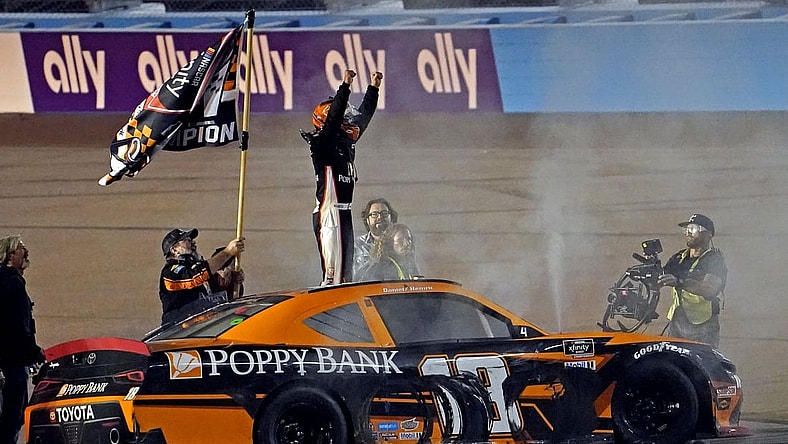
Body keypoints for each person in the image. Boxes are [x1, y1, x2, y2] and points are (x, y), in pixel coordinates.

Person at [301, 69, 383, 285]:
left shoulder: (345, 144)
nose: (350, 119)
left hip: (344, 214)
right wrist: (345, 87)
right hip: (329, 216)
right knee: (333, 278)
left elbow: (363, 119)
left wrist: (373, 89)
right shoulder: (323, 145)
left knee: (347, 277)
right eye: (345, 116)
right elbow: (333, 119)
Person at [658, 214, 727, 348]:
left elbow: (710, 289)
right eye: (687, 229)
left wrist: (679, 281)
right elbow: (662, 277)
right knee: (674, 362)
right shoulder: (679, 258)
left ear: (708, 234)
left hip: (703, 325)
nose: (688, 232)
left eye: (694, 229)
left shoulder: (714, 260)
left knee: (702, 363)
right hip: (677, 321)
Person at [0, 235, 45, 444]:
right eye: (20, 249)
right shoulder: (11, 284)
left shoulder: (8, 281)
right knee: (12, 417)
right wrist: (34, 352)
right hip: (13, 363)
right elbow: (17, 328)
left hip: (11, 362)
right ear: (10, 256)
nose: (25, 252)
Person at [159, 228, 245, 326]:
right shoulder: (170, 272)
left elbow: (220, 297)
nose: (193, 242)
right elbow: (195, 277)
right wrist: (227, 252)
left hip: (202, 328)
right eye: (187, 240)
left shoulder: (196, 268)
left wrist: (232, 281)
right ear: (174, 250)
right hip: (178, 331)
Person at [353, 197, 398, 281]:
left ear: (391, 218)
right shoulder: (356, 245)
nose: (380, 217)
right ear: (367, 220)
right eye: (374, 214)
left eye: (384, 213)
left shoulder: (400, 243)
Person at [356, 223, 420, 282]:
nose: (406, 244)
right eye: (400, 240)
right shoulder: (381, 267)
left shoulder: (409, 265)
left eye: (409, 239)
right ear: (390, 243)